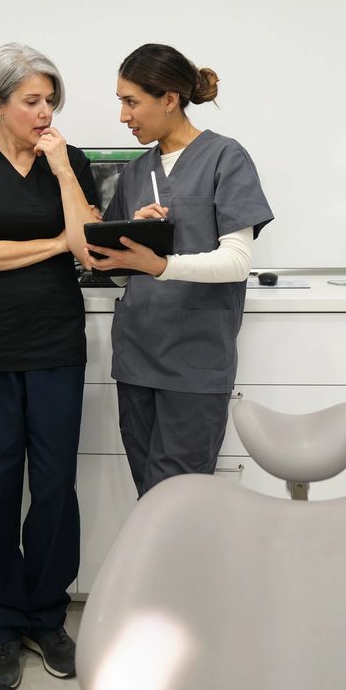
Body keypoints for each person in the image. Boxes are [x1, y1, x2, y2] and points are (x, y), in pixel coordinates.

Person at [0, 42, 98, 690]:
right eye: (31, 100)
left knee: (56, 487)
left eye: (51, 99)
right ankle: (3, 627)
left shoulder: (72, 158)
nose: (44, 110)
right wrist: (57, 242)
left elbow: (89, 246)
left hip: (55, 344)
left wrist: (62, 172)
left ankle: (47, 617)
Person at [88, 42, 274, 496]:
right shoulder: (135, 173)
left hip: (194, 362)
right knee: (149, 497)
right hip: (136, 359)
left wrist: (160, 262)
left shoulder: (225, 158)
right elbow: (115, 269)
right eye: (120, 103)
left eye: (131, 102)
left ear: (169, 98)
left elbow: (236, 261)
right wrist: (132, 244)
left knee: (180, 503)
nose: (123, 116)